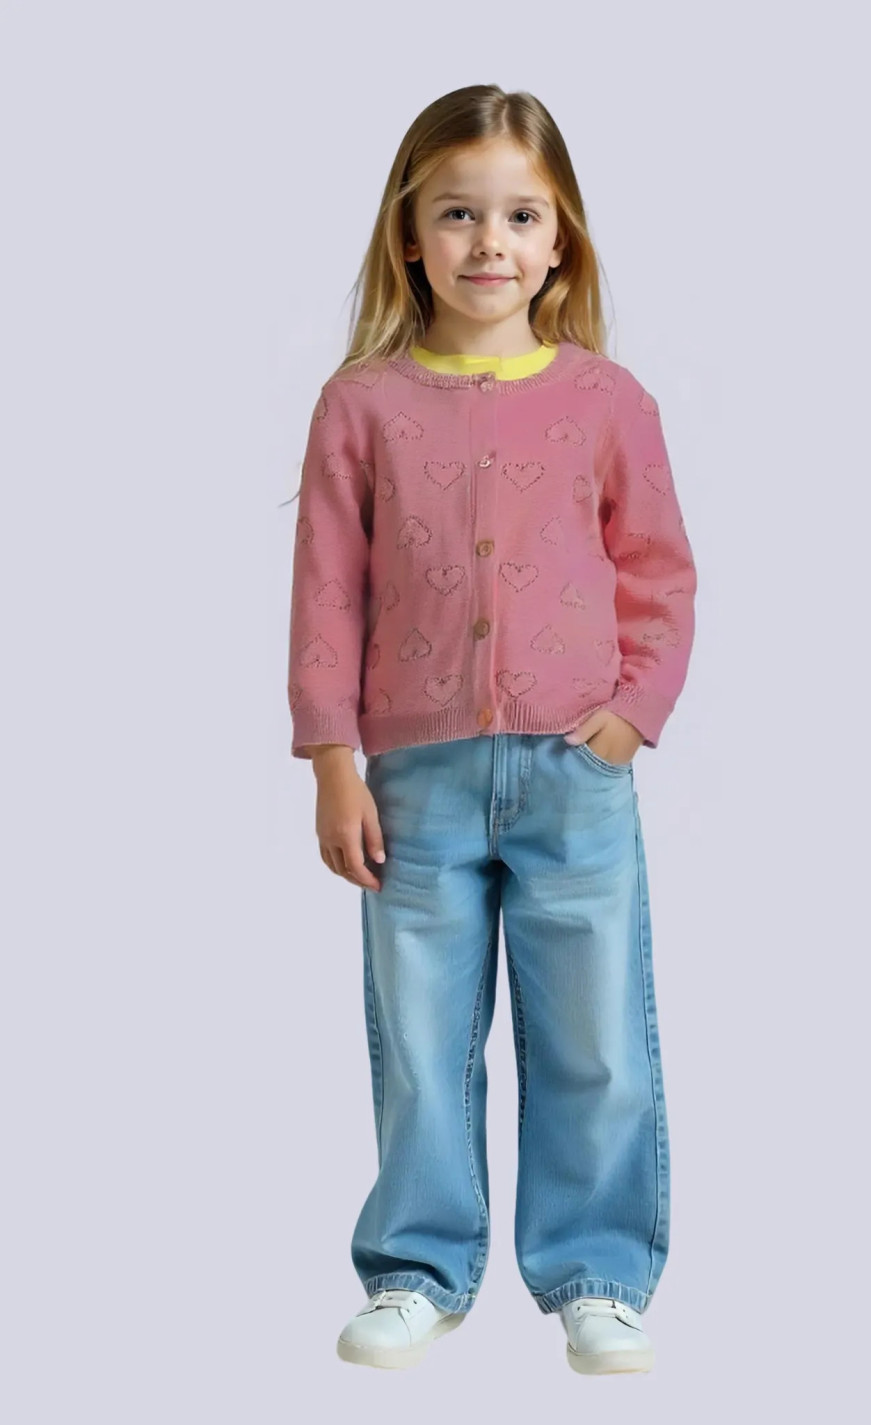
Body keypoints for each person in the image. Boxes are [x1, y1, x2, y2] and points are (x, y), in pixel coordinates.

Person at [285, 83, 698, 1375]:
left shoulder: (607, 399)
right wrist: (333, 761)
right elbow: (326, 589)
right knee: (420, 1038)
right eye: (458, 213)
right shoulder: (361, 404)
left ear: (561, 236)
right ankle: (417, 1270)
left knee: (594, 1035)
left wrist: (631, 715)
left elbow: (659, 571)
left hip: (578, 769)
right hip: (411, 776)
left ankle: (599, 1276)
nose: (489, 243)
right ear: (410, 234)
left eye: (521, 215)